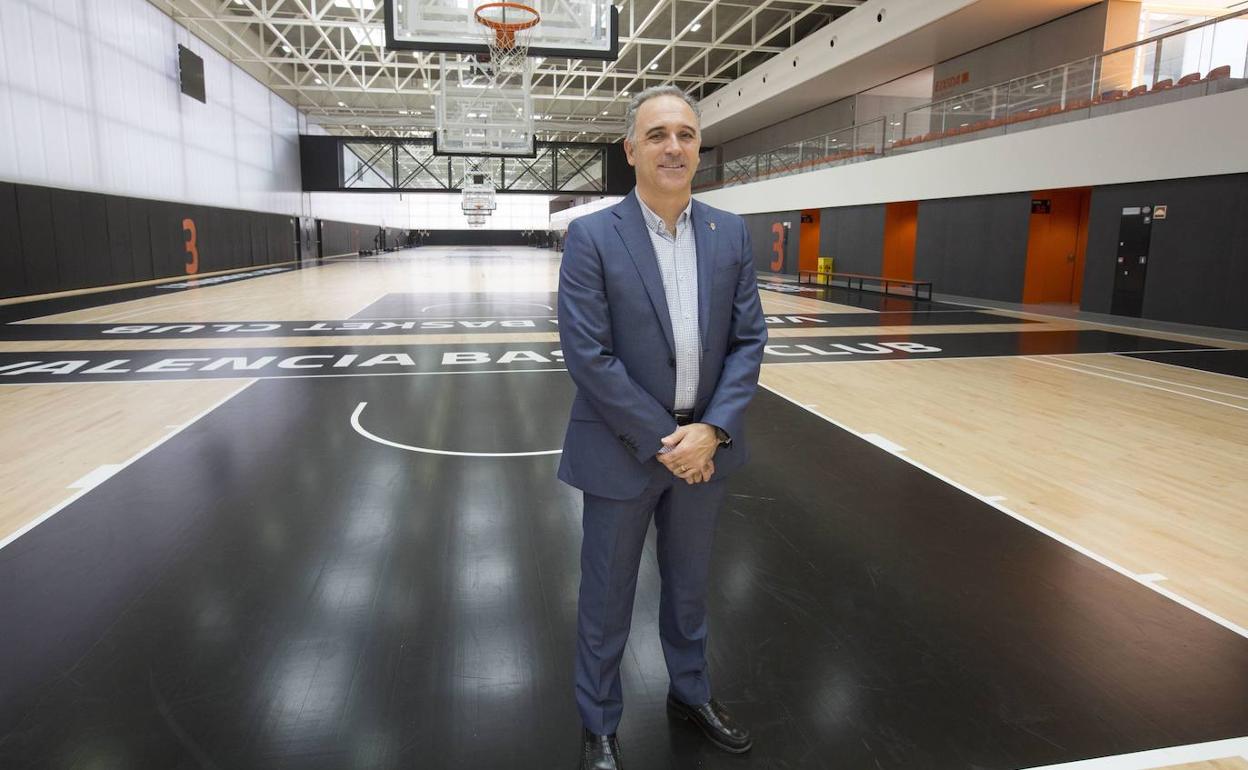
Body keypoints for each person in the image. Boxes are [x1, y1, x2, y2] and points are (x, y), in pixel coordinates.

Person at [556, 85, 768, 770]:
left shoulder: (729, 233)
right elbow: (589, 355)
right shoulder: (592, 235)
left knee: (688, 588)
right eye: (657, 135)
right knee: (607, 596)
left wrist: (712, 430)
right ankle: (599, 724)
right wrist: (669, 441)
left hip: (705, 450)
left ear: (699, 146)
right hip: (624, 450)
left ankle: (690, 691)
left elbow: (748, 342)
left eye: (685, 134)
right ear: (631, 149)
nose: (673, 146)